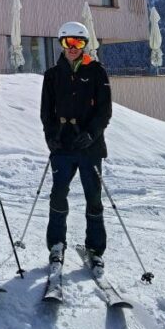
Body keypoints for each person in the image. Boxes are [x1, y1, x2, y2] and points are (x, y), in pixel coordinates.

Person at [41, 21, 112, 277]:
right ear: (61, 43)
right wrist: (51, 137)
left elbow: (105, 110)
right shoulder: (52, 75)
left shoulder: (96, 71)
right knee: (58, 194)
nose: (72, 48)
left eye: (78, 43)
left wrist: (92, 134)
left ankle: (95, 248)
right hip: (63, 145)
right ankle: (56, 244)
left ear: (85, 45)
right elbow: (46, 112)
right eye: (67, 43)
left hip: (89, 147)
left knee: (93, 197)